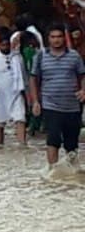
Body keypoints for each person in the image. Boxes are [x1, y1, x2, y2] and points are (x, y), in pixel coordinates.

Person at [29, 23, 85, 167]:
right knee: (53, 139)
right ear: (48, 39)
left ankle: (72, 172)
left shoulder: (74, 56)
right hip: (50, 104)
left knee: (71, 144)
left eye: (59, 36)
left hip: (72, 105)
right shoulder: (40, 56)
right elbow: (33, 78)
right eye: (53, 37)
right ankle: (53, 171)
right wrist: (35, 101)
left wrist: (83, 90)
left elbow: (82, 75)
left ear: (64, 38)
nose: (56, 40)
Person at [0, 31, 27, 146]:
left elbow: (24, 76)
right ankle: (0, 146)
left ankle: (23, 145)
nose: (6, 47)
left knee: (20, 118)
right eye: (3, 45)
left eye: (7, 45)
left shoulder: (17, 58)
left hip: (15, 93)